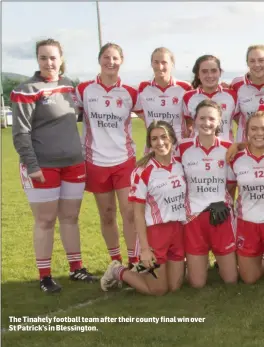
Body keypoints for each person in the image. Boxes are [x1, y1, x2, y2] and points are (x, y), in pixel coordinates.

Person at [11, 38, 97, 293]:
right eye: (43, 58)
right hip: (42, 166)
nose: (49, 62)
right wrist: (32, 165)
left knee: (71, 218)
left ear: (61, 58)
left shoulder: (69, 86)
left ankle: (76, 268)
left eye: (53, 57)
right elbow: (20, 133)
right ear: (37, 60)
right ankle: (45, 276)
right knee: (46, 221)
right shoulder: (26, 90)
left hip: (73, 163)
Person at [100, 120, 186, 295]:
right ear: (149, 143)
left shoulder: (180, 165)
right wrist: (145, 249)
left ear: (172, 139)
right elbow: (137, 214)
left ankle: (143, 270)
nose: (160, 143)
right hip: (156, 233)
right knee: (159, 290)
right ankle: (118, 271)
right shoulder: (142, 171)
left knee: (175, 288)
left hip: (178, 230)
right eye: (154, 139)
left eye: (164, 137)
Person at [75, 43, 138, 268]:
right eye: (106, 57)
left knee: (129, 213)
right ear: (99, 59)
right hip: (96, 162)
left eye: (115, 58)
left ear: (121, 61)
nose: (110, 62)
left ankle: (134, 260)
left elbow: (152, 116)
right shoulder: (83, 89)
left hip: (124, 161)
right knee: (107, 214)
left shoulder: (131, 92)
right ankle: (115, 261)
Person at [179, 100, 238, 288]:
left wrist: (223, 201)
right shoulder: (182, 148)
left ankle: (219, 260)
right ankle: (187, 264)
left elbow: (231, 183)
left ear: (219, 121)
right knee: (197, 284)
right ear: (194, 120)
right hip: (193, 218)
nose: (206, 123)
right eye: (202, 118)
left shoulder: (229, 147)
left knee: (231, 280)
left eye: (211, 118)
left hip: (221, 216)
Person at [227, 111, 264, 283]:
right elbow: (230, 189)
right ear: (247, 132)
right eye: (254, 129)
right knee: (249, 279)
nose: (259, 133)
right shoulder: (236, 158)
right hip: (247, 223)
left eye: (263, 129)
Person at [134, 47, 192, 146]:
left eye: (164, 62)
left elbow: (190, 118)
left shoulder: (185, 87)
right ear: (151, 64)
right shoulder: (143, 87)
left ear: (172, 64)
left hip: (177, 145)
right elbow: (139, 111)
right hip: (154, 146)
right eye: (156, 62)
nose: (160, 67)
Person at [183, 55, 239, 142]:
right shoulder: (188, 97)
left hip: (226, 150)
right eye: (204, 71)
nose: (209, 75)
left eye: (214, 71)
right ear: (198, 74)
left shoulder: (232, 95)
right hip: (197, 150)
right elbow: (188, 125)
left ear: (220, 72)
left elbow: (241, 123)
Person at [230, 45, 264, 142]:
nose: (257, 65)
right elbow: (234, 116)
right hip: (245, 147)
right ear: (247, 63)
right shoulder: (237, 84)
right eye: (252, 61)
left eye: (261, 60)